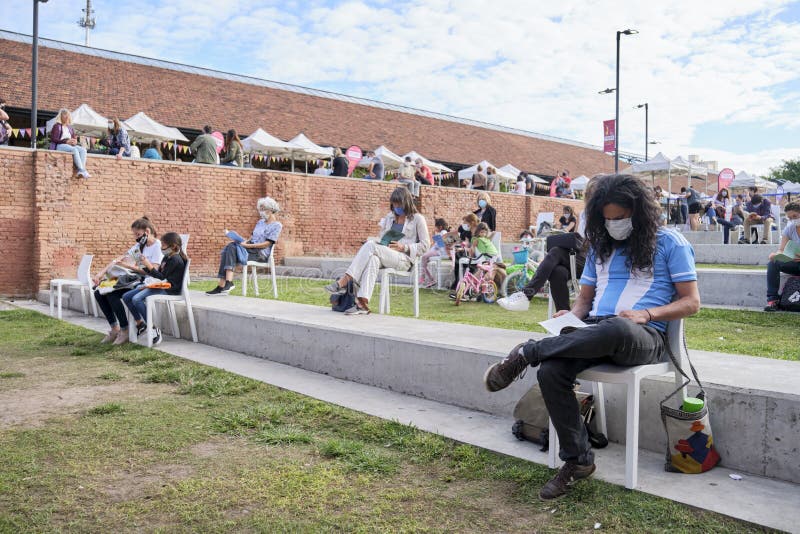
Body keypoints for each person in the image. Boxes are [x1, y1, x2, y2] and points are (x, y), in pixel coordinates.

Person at [483, 173, 700, 500]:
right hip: (596, 331)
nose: (613, 224)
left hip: (642, 336)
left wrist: (647, 314)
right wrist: (571, 316)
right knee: (551, 371)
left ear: (638, 212)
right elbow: (585, 301)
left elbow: (691, 302)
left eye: (620, 218)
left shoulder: (670, 242)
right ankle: (579, 460)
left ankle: (527, 352)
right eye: (607, 218)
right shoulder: (600, 245)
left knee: (616, 326)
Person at [324, 187, 430, 314]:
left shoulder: (418, 219)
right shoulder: (390, 218)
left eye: (399, 204)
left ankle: (344, 281)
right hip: (386, 254)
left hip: (404, 259)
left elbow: (426, 245)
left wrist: (404, 247)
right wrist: (380, 241)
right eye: (394, 204)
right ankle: (361, 303)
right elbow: (382, 237)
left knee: (370, 246)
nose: (396, 207)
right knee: (372, 258)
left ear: (406, 203)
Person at [93, 217, 163, 346]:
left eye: (138, 234)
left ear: (147, 231)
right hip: (132, 277)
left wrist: (130, 267)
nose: (136, 237)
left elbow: (153, 272)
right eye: (134, 235)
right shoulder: (140, 245)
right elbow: (120, 258)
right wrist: (101, 273)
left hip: (145, 280)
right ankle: (115, 328)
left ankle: (125, 330)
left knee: (112, 293)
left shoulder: (157, 246)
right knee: (99, 292)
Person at [119, 232, 187, 345]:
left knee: (136, 299)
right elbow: (157, 275)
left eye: (163, 245)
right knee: (126, 296)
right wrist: (143, 264)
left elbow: (163, 278)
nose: (161, 248)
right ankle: (141, 324)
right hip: (157, 284)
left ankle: (153, 328)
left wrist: (149, 266)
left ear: (173, 246)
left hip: (168, 289)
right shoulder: (166, 257)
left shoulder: (176, 260)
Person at [207, 197, 283, 295]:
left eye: (263, 209)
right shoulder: (260, 222)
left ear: (271, 209)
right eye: (260, 209)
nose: (261, 212)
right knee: (230, 247)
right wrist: (244, 242)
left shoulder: (277, 225)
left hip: (260, 253)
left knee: (229, 249)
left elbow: (267, 243)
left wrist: (249, 246)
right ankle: (227, 283)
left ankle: (222, 285)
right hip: (250, 248)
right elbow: (252, 237)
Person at [764, 201, 800, 311]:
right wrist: (776, 255)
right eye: (790, 218)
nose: (793, 219)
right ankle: (772, 300)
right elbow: (782, 249)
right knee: (773, 262)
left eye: (795, 216)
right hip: (795, 263)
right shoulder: (790, 229)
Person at [49, 108, 90, 178]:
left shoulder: (70, 128)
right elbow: (54, 139)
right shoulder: (57, 126)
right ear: (60, 116)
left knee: (83, 150)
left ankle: (81, 170)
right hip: (60, 145)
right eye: (64, 115)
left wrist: (75, 141)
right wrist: (66, 141)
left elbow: (74, 138)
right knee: (74, 150)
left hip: (70, 145)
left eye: (67, 115)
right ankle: (82, 170)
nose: (66, 117)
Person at [448, 213, 480, 298]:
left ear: (472, 222)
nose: (465, 225)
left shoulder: (477, 232)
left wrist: (464, 248)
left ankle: (460, 286)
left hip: (477, 256)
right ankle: (458, 284)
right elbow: (470, 245)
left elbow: (474, 248)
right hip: (472, 254)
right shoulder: (471, 232)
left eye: (466, 223)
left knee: (460, 256)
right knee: (458, 255)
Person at [419, 218, 450, 288]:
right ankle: (430, 279)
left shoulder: (443, 233)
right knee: (424, 261)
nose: (434, 228)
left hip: (440, 252)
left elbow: (440, 245)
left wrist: (434, 236)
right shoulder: (441, 233)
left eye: (435, 226)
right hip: (437, 251)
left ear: (440, 227)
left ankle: (424, 276)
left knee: (424, 257)